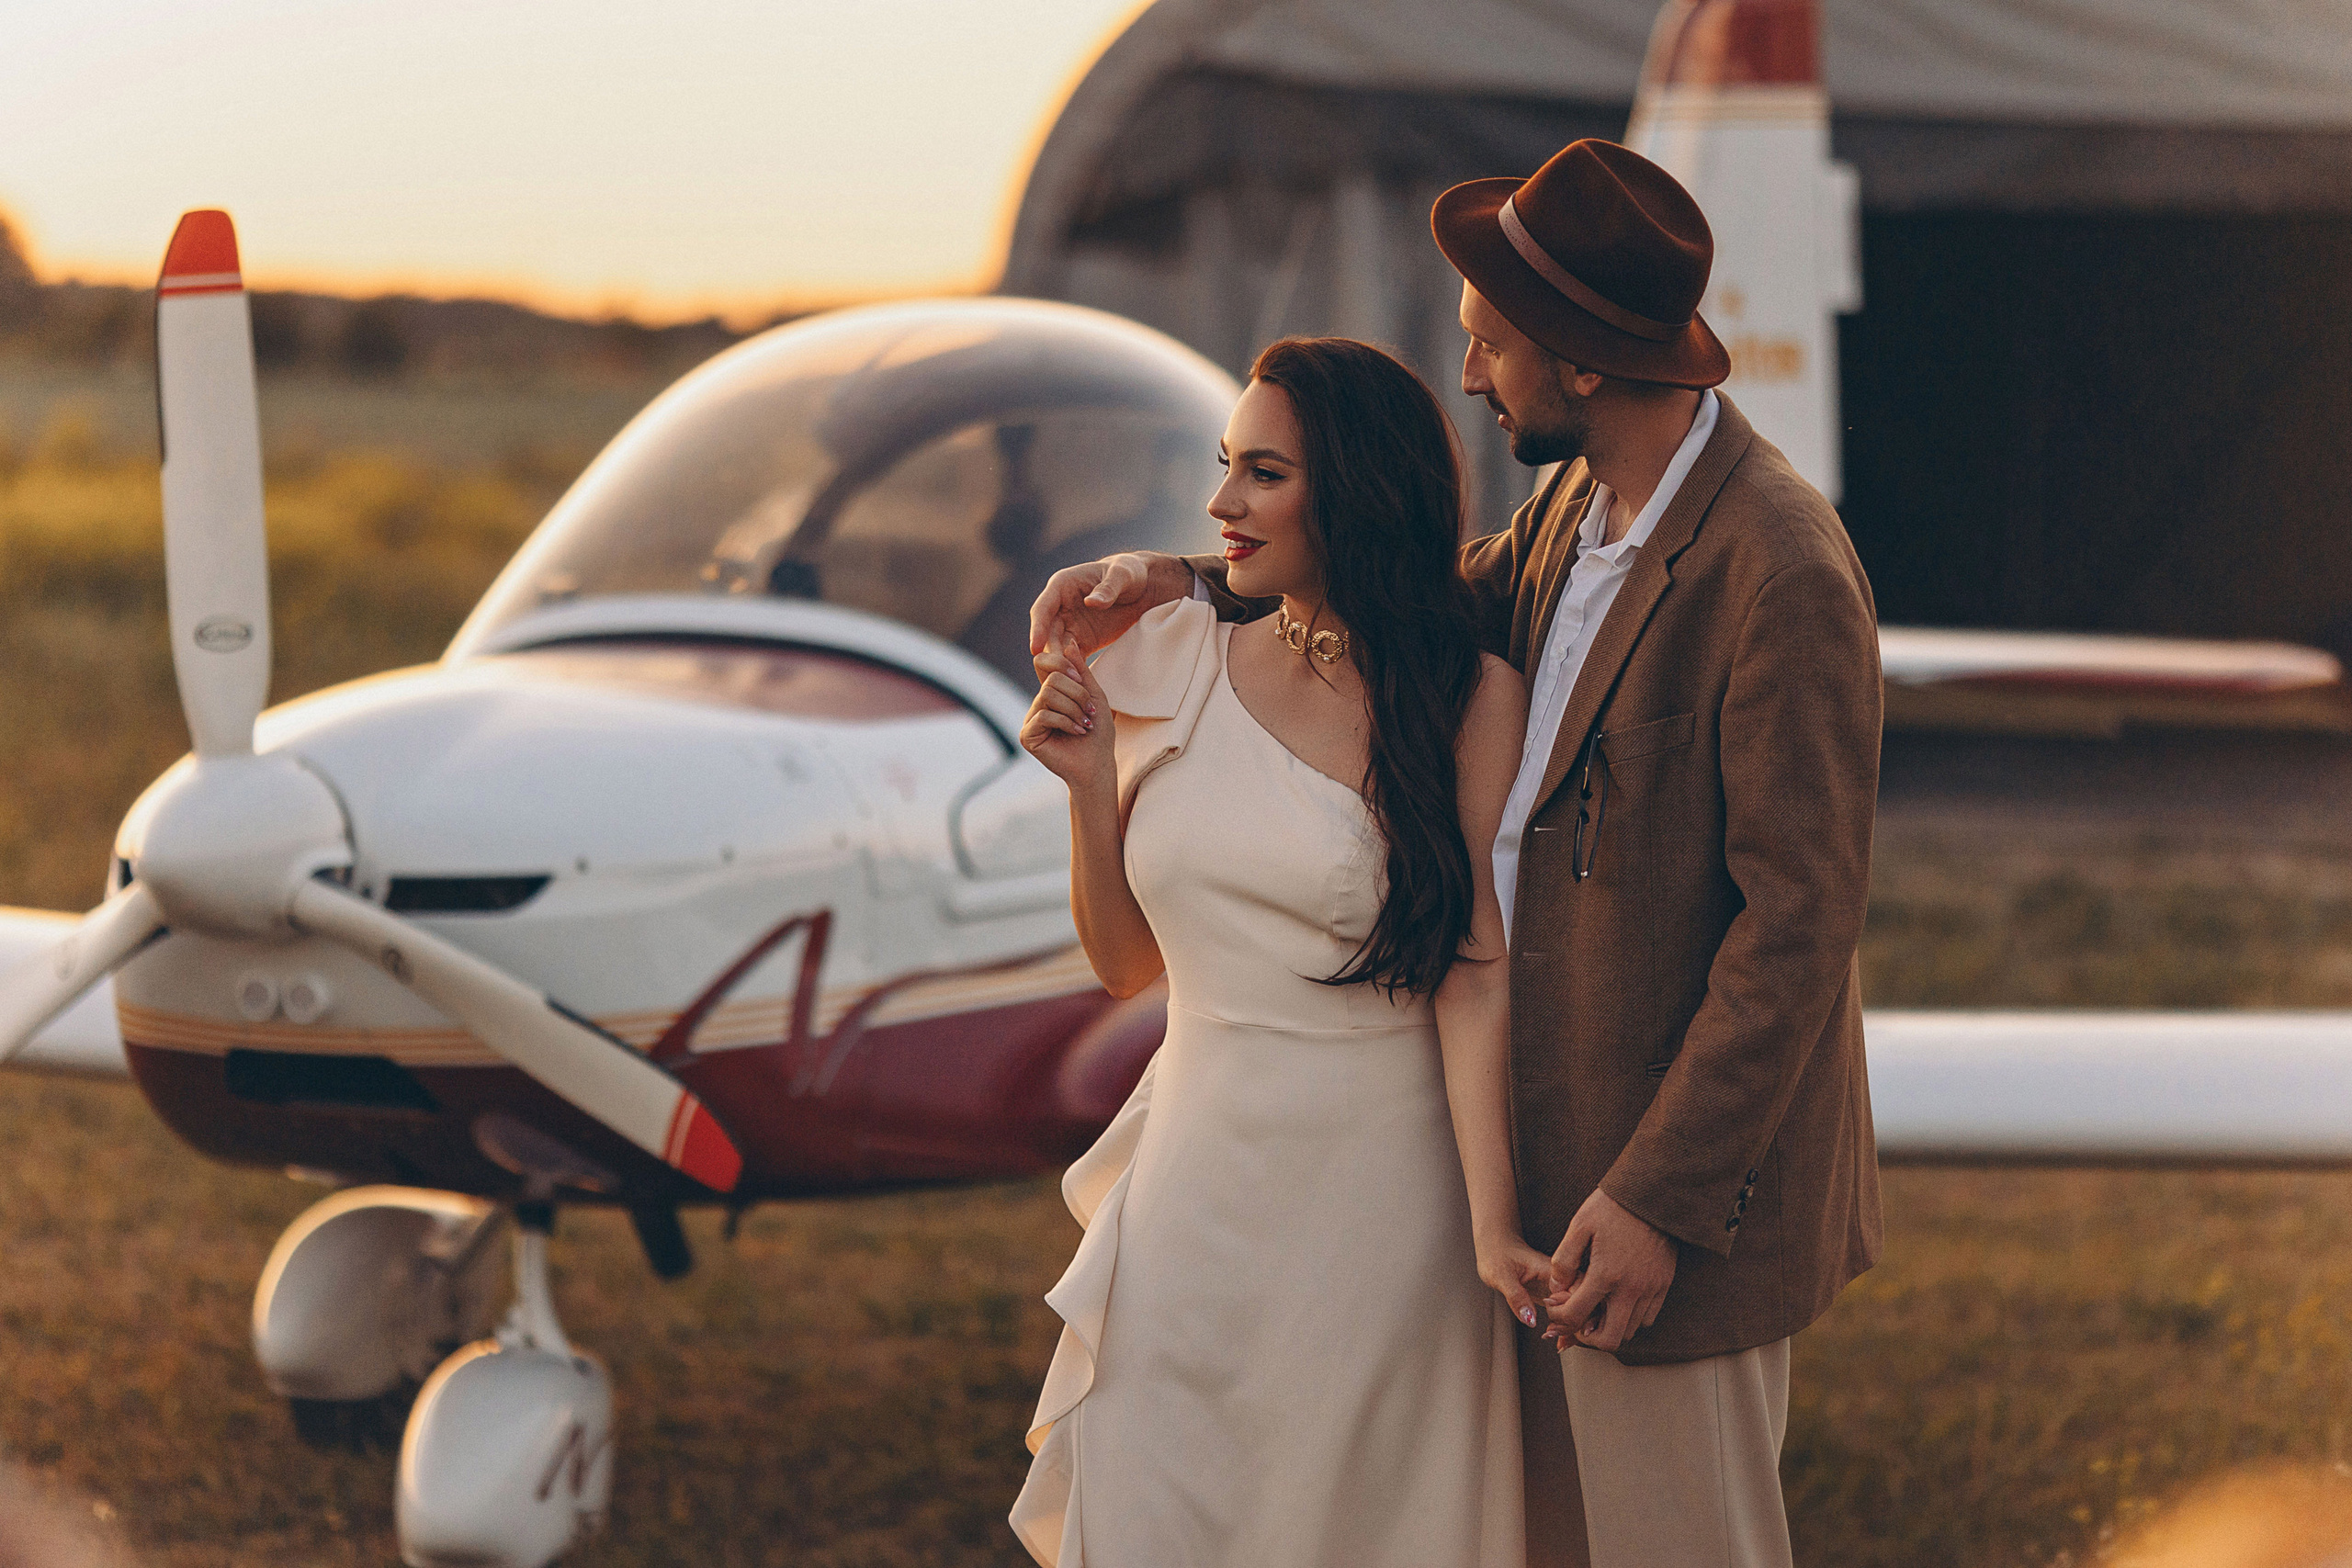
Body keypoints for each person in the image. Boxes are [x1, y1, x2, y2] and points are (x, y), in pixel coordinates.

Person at [1027, 139, 1883, 1568]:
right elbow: (1386, 572)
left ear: (1585, 366)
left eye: (1491, 347)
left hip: (1661, 1202)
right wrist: (1179, 575)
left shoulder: (1777, 565)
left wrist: (1660, 1198)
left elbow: (1798, 930)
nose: (1474, 378)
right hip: (1525, 1183)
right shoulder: (1569, 517)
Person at [1009, 336, 1544, 1567]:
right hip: (1189, 1197)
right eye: (1222, 467)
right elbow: (1127, 968)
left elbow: (1471, 973)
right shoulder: (1167, 660)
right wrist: (1090, 793)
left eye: (1262, 473)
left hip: (1378, 1206)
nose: (1220, 505)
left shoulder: (1472, 697)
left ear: (1352, 489)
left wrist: (1492, 1223)